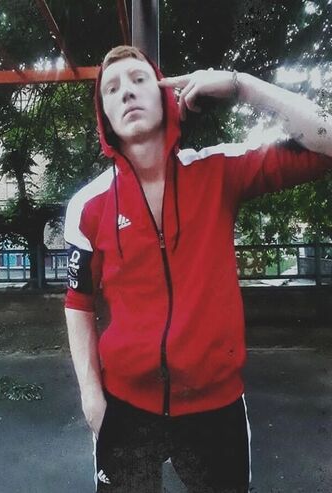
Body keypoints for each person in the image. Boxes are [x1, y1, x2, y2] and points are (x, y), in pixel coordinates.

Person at [63, 45, 332, 493]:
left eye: (139, 80)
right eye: (112, 89)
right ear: (104, 116)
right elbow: (78, 303)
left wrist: (240, 85)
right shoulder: (87, 205)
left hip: (215, 408)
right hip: (126, 406)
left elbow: (327, 141)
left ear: (166, 96)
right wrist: (92, 398)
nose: (126, 92)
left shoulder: (217, 170)